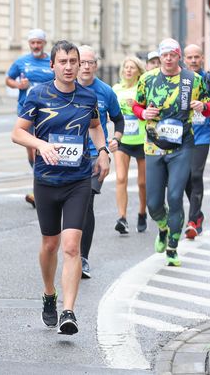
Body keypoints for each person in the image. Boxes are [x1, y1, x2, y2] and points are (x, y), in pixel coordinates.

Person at [11, 40, 110, 335]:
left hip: (78, 180)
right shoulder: (38, 94)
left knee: (71, 247)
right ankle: (48, 293)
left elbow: (94, 125)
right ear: (52, 65)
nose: (69, 67)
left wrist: (103, 150)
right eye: (63, 62)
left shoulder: (88, 96)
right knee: (50, 245)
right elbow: (17, 132)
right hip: (46, 180)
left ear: (80, 65)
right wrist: (40, 144)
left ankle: (69, 311)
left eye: (73, 62)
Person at [132, 38, 210, 267]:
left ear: (179, 56)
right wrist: (143, 113)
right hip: (153, 146)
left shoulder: (193, 80)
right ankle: (163, 227)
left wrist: (203, 107)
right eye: (164, 55)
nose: (168, 58)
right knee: (154, 204)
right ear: (160, 57)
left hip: (182, 146)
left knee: (176, 197)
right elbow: (137, 106)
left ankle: (172, 248)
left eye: (173, 54)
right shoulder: (147, 79)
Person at [77, 45, 123, 279]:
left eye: (90, 62)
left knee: (86, 203)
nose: (86, 66)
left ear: (96, 65)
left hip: (95, 157)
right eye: (82, 62)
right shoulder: (64, 89)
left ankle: (82, 257)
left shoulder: (105, 91)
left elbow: (118, 119)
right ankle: (69, 250)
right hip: (69, 158)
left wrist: (115, 139)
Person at [5, 28, 55, 208]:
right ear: (29, 44)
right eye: (33, 43)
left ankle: (40, 187)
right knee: (31, 150)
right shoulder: (21, 62)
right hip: (26, 111)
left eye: (39, 42)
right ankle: (40, 180)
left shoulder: (51, 62)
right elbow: (8, 79)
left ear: (44, 43)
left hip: (49, 112)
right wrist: (19, 85)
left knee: (41, 148)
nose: (36, 46)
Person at [183, 44, 210, 239]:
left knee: (196, 174)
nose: (193, 60)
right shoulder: (180, 79)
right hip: (182, 136)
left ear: (202, 58)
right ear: (184, 59)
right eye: (189, 57)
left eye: (196, 57)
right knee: (185, 178)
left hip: (202, 135)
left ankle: (192, 220)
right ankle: (198, 213)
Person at [112, 57, 148, 234]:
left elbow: (150, 111)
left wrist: (135, 106)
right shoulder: (116, 89)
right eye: (126, 67)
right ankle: (122, 218)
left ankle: (142, 212)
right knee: (120, 178)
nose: (128, 70)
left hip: (142, 140)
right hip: (123, 140)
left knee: (143, 183)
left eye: (132, 68)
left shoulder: (143, 89)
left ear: (138, 71)